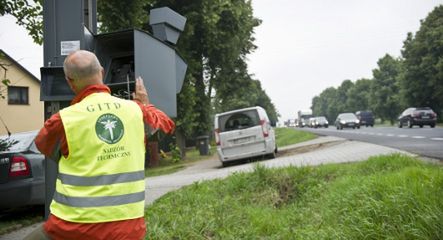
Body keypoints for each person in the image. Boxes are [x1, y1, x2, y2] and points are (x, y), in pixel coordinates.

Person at [24, 50, 175, 240]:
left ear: (70, 81)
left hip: (71, 229)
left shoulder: (62, 120)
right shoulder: (136, 111)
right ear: (102, 72)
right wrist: (145, 104)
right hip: (128, 230)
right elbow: (165, 125)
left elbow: (46, 147)